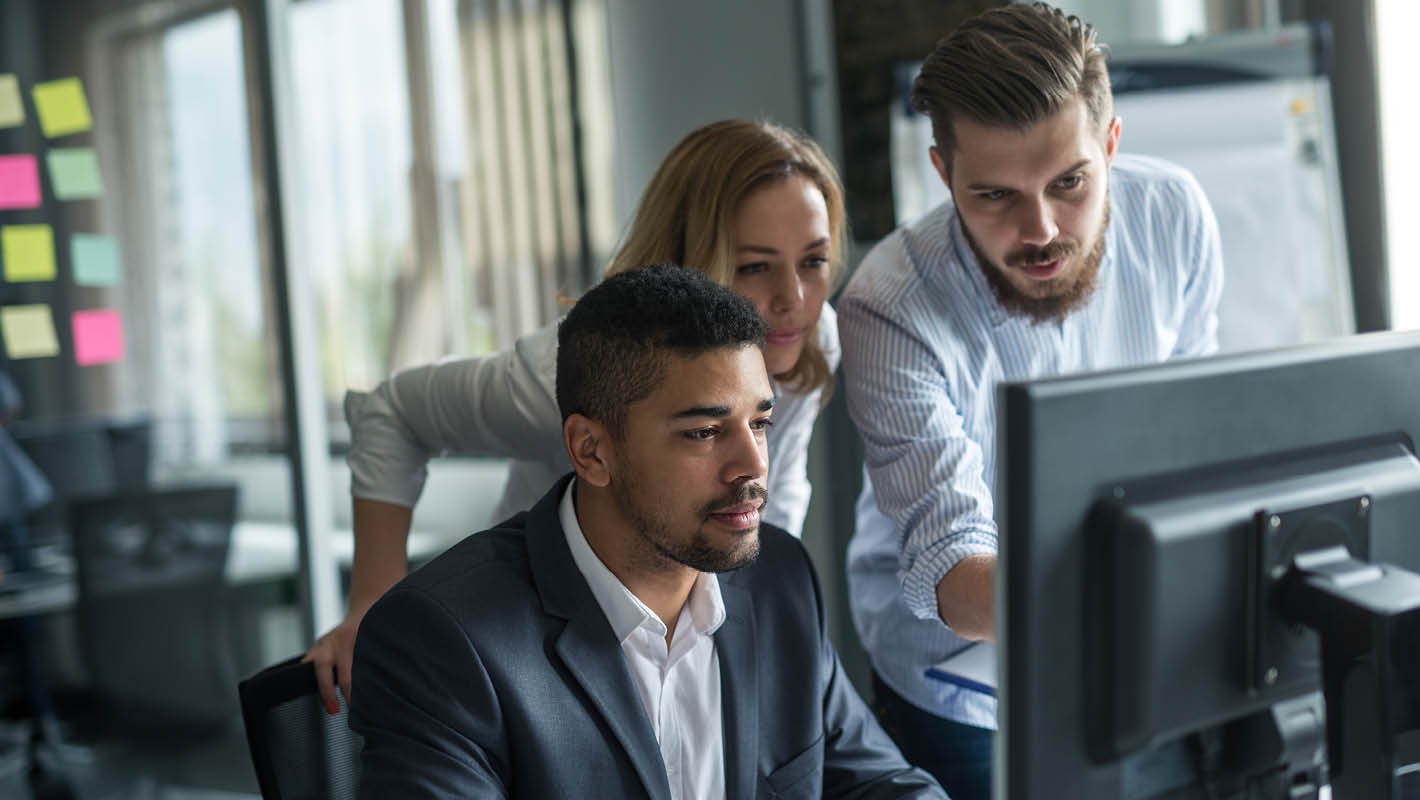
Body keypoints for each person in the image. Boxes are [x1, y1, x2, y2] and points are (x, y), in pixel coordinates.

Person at [305, 119, 847, 714]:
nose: (793, 298)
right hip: (534, 639)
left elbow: (776, 502)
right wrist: (371, 606)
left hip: (677, 624)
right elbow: (393, 411)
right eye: (755, 267)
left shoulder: (807, 336)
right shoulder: (570, 374)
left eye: (814, 260)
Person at [350, 265, 945, 799]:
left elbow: (879, 785)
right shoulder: (445, 640)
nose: (753, 465)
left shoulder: (778, 578)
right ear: (591, 451)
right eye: (705, 432)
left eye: (759, 423)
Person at [837, 5, 1224, 799]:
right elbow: (951, 563)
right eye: (995, 195)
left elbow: (1194, 435)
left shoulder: (1175, 217)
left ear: (1111, 144)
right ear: (944, 174)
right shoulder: (888, 306)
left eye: (1070, 182)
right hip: (964, 691)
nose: (1041, 228)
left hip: (1146, 652)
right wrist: (1154, 592)